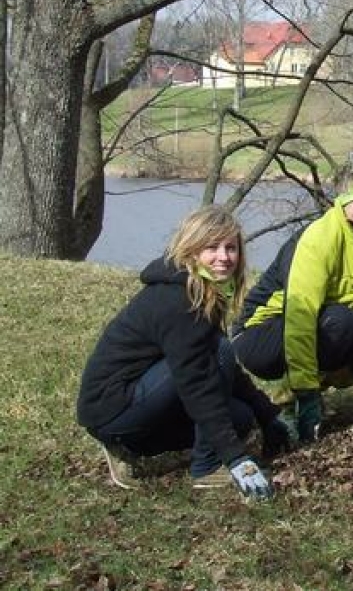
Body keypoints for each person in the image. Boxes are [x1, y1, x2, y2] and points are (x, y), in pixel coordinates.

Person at [77, 205, 290, 499]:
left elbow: (223, 373)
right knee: (220, 353)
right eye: (212, 247)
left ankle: (133, 446)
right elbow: (198, 381)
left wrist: (267, 415)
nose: (223, 257)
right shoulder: (179, 300)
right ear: (191, 250)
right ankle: (205, 467)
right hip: (113, 409)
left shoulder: (203, 289)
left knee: (240, 417)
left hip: (144, 396)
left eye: (231, 248)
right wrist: (235, 458)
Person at [232, 159, 353, 442]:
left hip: (324, 324)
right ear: (344, 202)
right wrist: (304, 390)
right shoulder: (319, 239)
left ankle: (314, 386)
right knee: (342, 320)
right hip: (259, 336)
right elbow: (300, 317)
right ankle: (291, 401)